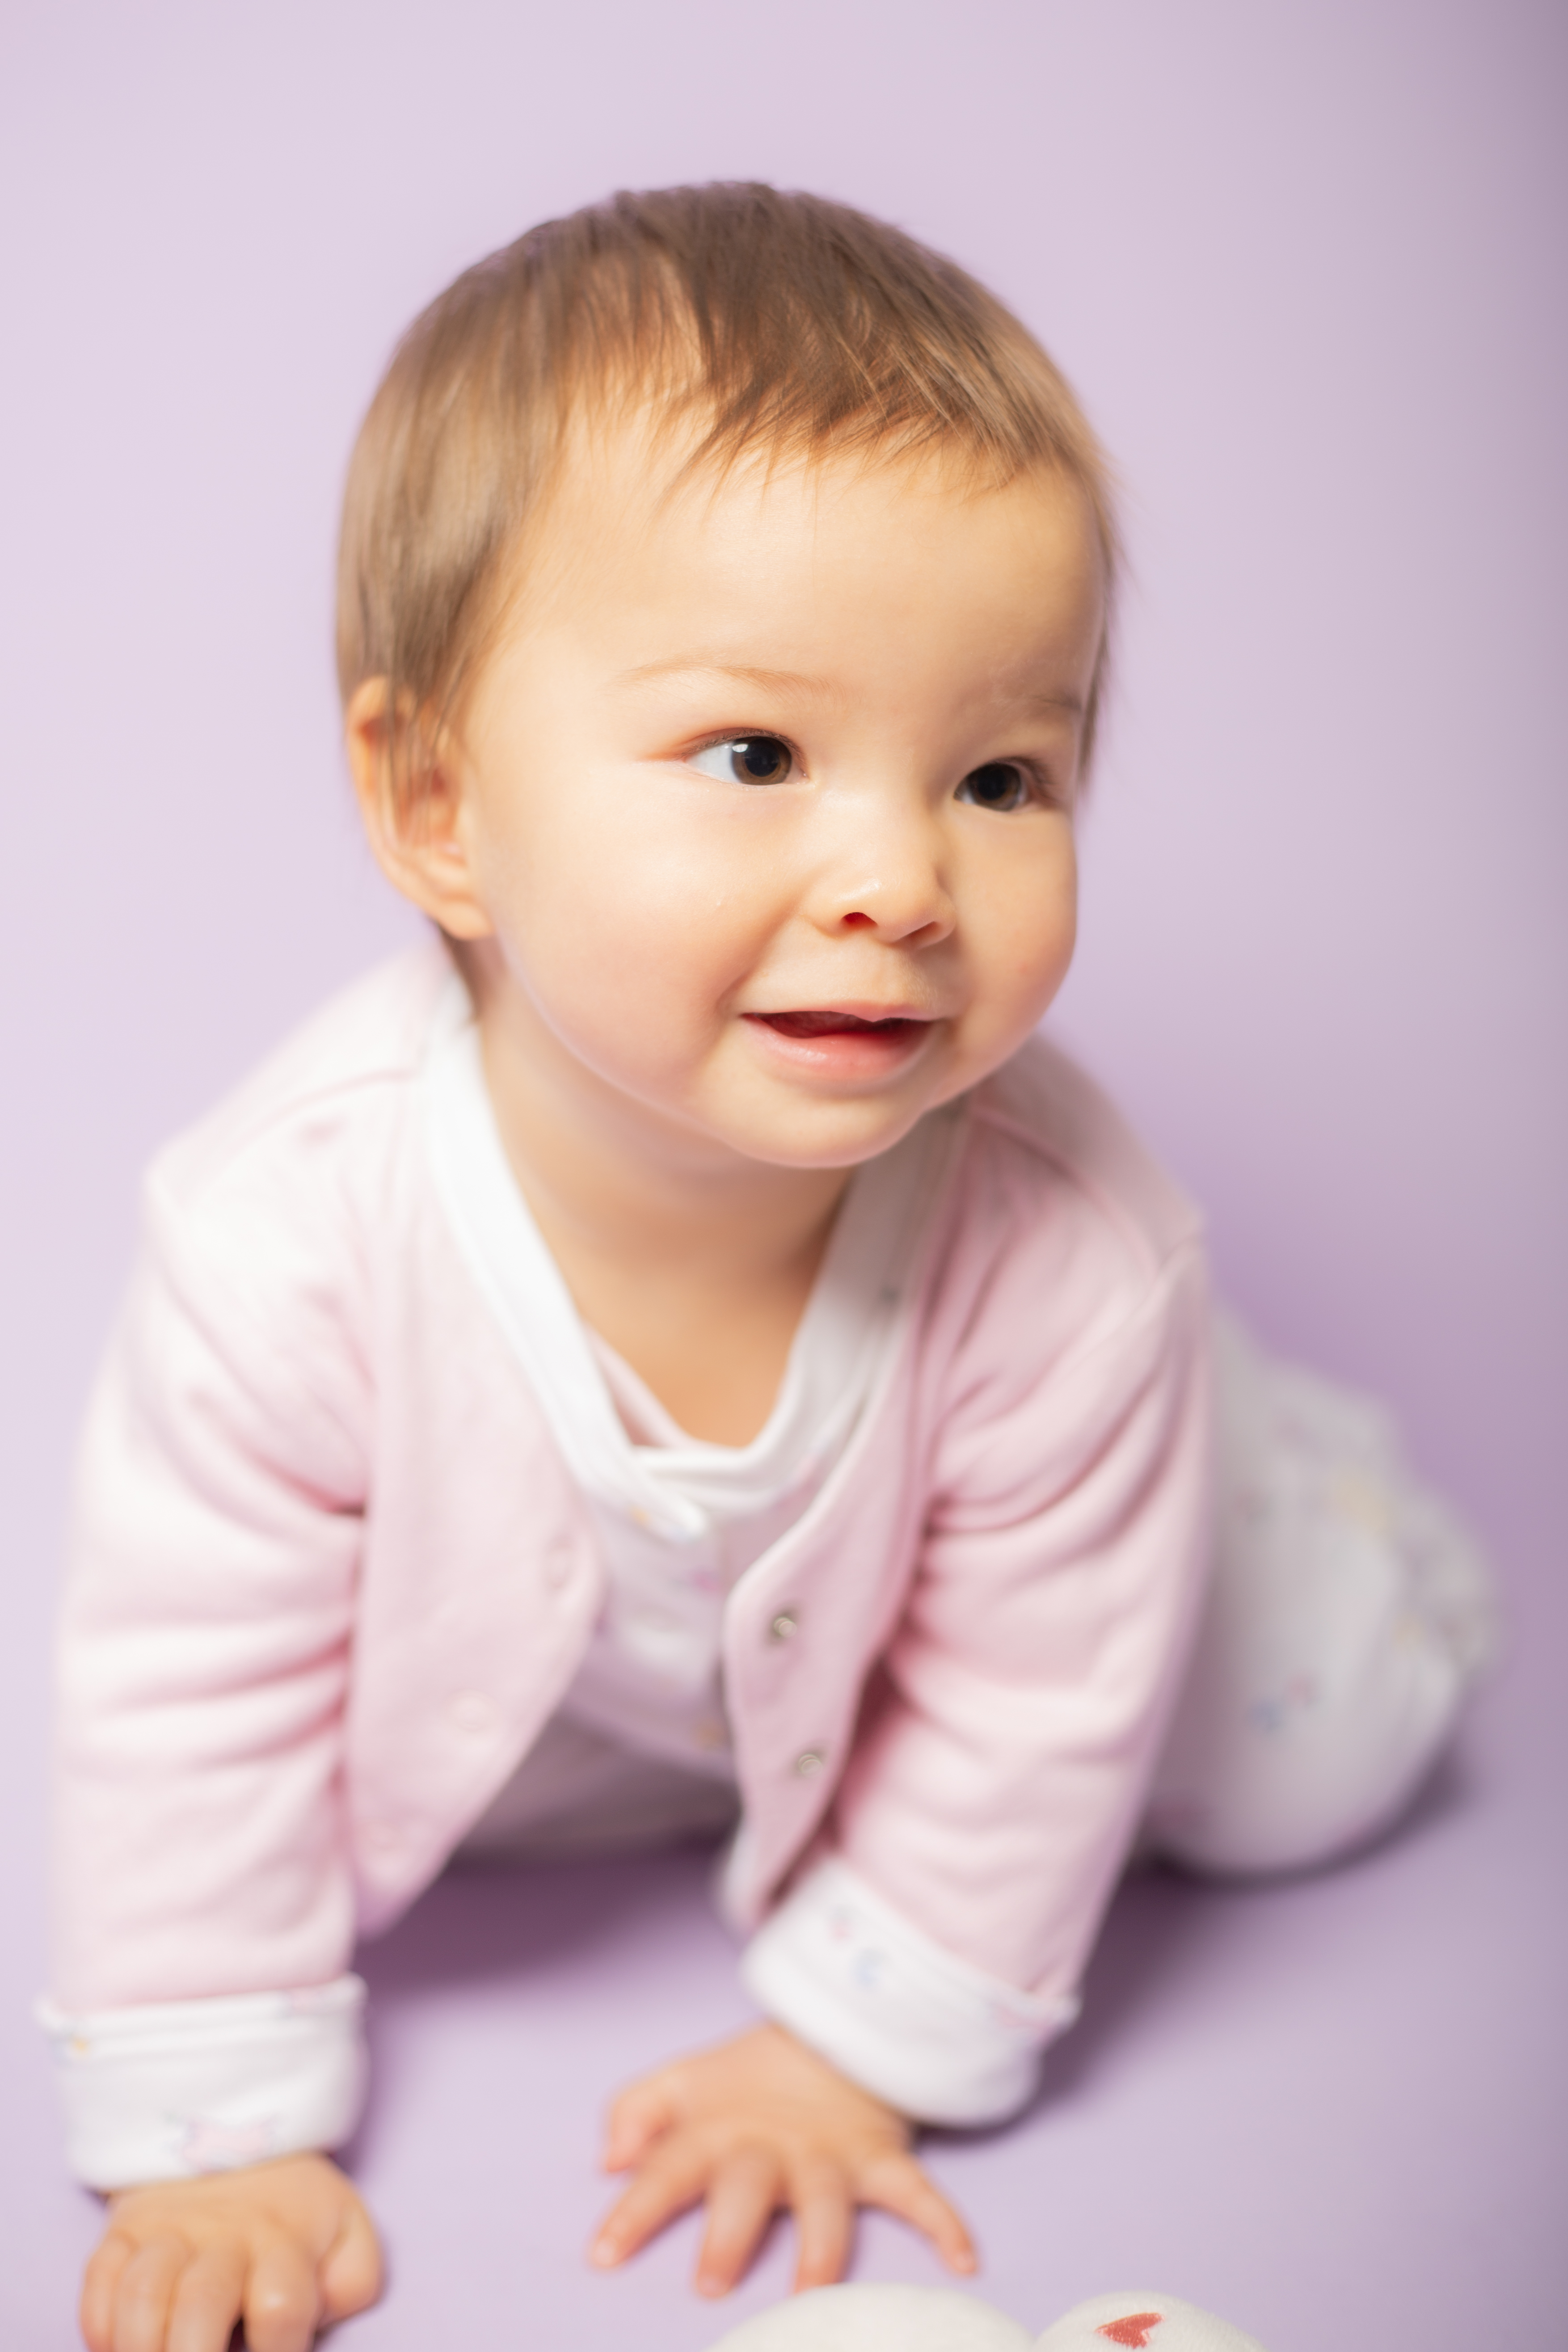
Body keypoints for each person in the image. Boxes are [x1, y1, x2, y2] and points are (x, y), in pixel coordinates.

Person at [42, 185, 1492, 2352]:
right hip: (619, 1664)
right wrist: (215, 2115)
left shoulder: (1068, 1261)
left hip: (1009, 1561)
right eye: (754, 756)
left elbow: (1021, 1709)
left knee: (1291, 1763)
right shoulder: (286, 1235)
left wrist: (850, 2039)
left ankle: (1281, 1486)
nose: (902, 876)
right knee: (443, 1756)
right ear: (438, 800)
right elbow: (193, 1679)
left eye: (1003, 771)